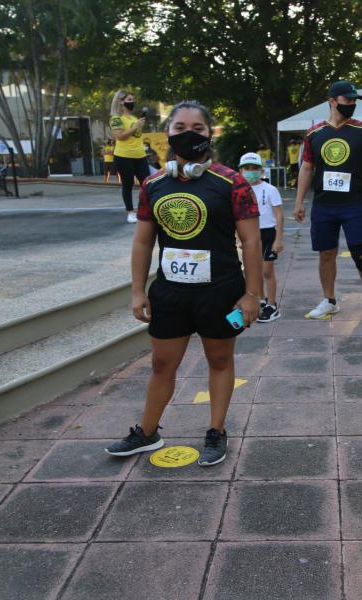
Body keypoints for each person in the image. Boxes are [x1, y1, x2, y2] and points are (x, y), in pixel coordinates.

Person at [105, 101, 262, 466]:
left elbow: (252, 242)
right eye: (179, 128)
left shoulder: (233, 182)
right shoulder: (153, 184)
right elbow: (143, 241)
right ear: (168, 133)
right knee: (162, 363)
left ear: (210, 134)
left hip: (220, 291)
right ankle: (147, 432)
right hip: (171, 292)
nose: (188, 134)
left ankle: (216, 431)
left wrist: (253, 294)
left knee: (220, 359)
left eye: (198, 128)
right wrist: (137, 290)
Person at [293, 80, 362, 322]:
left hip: (355, 204)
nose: (352, 104)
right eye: (348, 100)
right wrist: (299, 201)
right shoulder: (314, 133)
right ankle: (329, 300)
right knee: (326, 254)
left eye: (355, 100)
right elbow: (306, 168)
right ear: (332, 102)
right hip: (324, 206)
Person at [239, 152, 285, 322]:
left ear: (261, 170)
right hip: (250, 234)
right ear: (241, 170)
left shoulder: (270, 189)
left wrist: (278, 239)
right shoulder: (240, 190)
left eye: (254, 168)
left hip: (268, 233)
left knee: (267, 270)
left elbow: (279, 215)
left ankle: (272, 305)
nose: (251, 171)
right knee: (254, 271)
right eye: (247, 168)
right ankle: (262, 300)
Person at [109, 90, 150, 224]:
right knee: (128, 184)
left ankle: (146, 209)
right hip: (124, 156)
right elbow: (120, 136)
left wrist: (138, 125)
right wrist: (136, 126)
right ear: (121, 101)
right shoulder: (116, 118)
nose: (132, 102)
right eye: (129, 100)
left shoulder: (133, 119)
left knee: (147, 184)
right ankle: (130, 212)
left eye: (133, 100)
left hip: (140, 155)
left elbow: (136, 136)